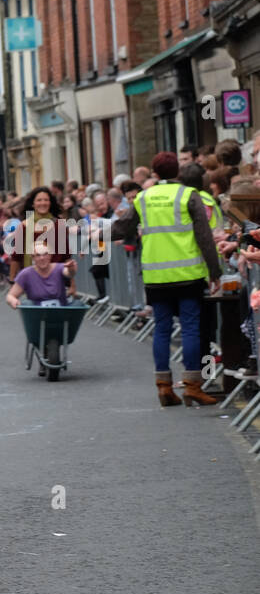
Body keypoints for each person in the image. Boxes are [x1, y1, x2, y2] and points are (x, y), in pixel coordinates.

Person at [113, 151, 223, 406]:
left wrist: (91, 235)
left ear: (155, 173)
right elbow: (205, 237)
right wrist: (214, 272)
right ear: (177, 172)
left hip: (156, 275)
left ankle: (163, 386)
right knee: (191, 328)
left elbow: (122, 228)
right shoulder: (188, 195)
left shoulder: (143, 197)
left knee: (162, 329)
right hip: (188, 274)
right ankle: (193, 386)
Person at [5, 241, 75, 309]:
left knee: (78, 304)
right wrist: (13, 300)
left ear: (50, 255)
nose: (42, 258)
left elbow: (69, 273)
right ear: (33, 257)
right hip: (37, 315)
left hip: (60, 312)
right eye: (38, 255)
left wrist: (71, 269)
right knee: (27, 303)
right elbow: (10, 295)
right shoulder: (26, 274)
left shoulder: (59, 268)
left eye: (45, 254)